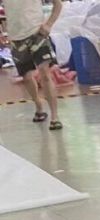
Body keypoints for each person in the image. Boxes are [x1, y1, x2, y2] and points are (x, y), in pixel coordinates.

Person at [0, 0, 64, 130]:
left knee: (45, 73)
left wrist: (48, 24)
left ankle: (55, 117)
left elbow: (58, 4)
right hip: (16, 39)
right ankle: (39, 106)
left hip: (38, 35)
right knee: (27, 77)